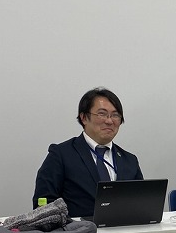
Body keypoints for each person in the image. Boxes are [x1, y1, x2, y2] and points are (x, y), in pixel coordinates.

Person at [33, 87, 143, 217]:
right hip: (77, 229)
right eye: (102, 114)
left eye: (115, 115)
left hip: (124, 229)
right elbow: (43, 206)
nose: (109, 121)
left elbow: (142, 203)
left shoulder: (129, 160)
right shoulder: (61, 155)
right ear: (84, 117)